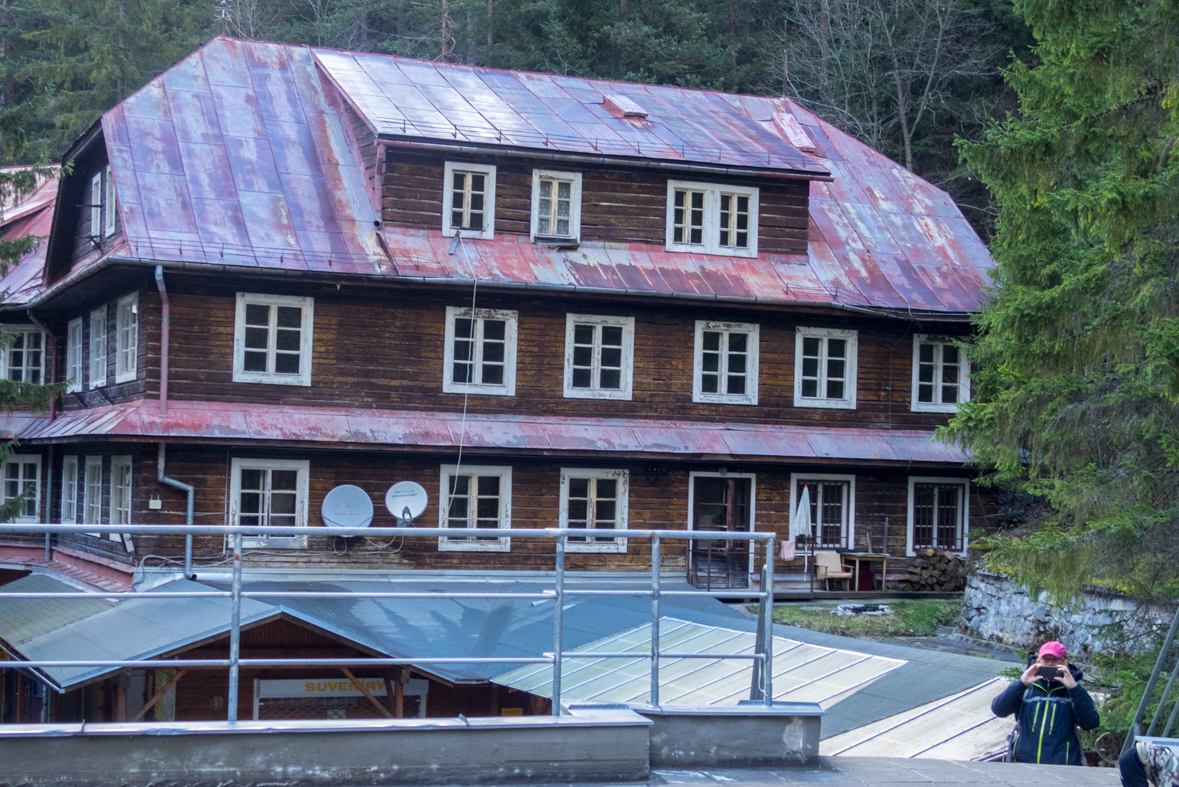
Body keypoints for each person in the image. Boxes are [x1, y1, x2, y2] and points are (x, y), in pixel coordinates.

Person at [991, 640, 1100, 765]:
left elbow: (1090, 723)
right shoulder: (1026, 688)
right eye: (1045, 659)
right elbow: (998, 710)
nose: (1049, 664)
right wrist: (1021, 683)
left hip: (1062, 769)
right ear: (1038, 662)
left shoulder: (1073, 691)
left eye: (1055, 660)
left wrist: (1074, 688)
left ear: (1065, 663)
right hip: (1024, 766)